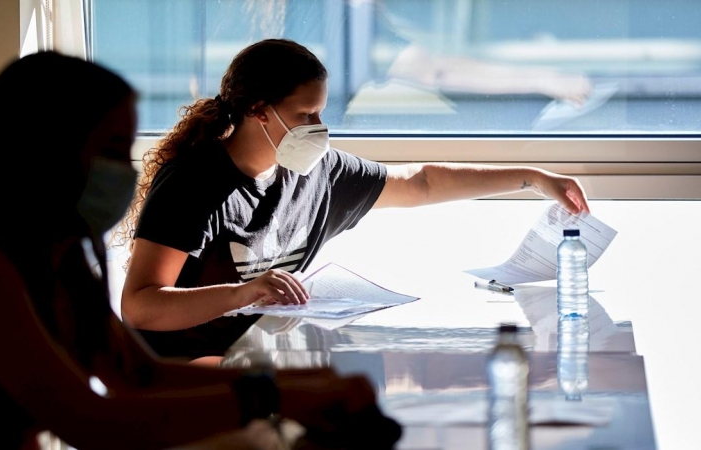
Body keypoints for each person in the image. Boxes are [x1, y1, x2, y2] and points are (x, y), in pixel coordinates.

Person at [0, 50, 402, 450]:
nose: (126, 170)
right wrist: (275, 394)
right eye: (111, 150)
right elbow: (89, 421)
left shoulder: (67, 256)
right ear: (44, 151)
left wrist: (301, 384)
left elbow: (134, 375)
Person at [115, 38, 591, 358]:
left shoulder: (319, 171)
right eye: (305, 114)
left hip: (257, 361)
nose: (318, 129)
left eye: (321, 111)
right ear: (258, 110)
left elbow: (420, 182)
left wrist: (531, 178)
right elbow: (141, 306)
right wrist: (245, 292)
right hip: (178, 375)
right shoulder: (192, 184)